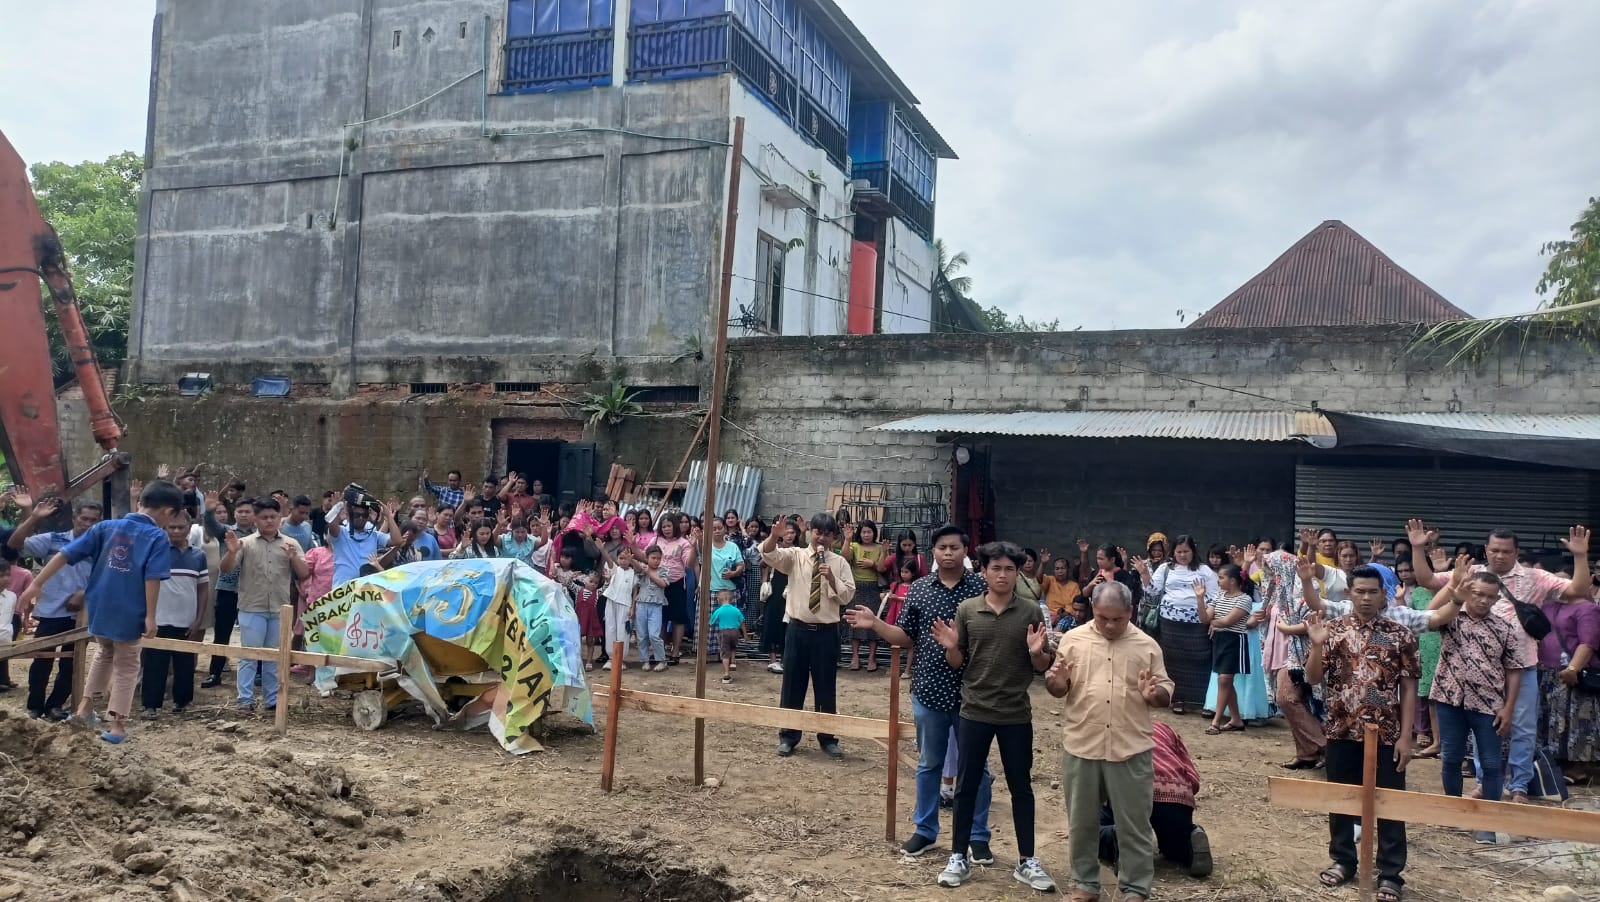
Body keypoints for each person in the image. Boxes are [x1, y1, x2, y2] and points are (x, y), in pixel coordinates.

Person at [1408, 520, 1592, 802]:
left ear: (1516, 552)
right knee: (1486, 728)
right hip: (1478, 670)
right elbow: (1428, 581)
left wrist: (1580, 556)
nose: (1500, 555)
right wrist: (1418, 549)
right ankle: (1485, 781)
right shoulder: (1471, 574)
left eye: (1506, 551)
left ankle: (1518, 785)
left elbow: (1577, 590)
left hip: (1522, 665)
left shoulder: (1535, 577)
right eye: (1495, 550)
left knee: (1522, 727)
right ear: (1486, 550)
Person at [844, 524, 996, 861]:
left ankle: (977, 835)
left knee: (976, 768)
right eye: (942, 547)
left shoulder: (982, 590)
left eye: (954, 547)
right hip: (929, 689)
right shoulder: (920, 590)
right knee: (929, 765)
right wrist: (876, 624)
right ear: (932, 553)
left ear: (965, 551)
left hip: (973, 693)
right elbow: (905, 637)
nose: (948, 553)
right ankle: (926, 830)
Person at [18, 481, 186, 743]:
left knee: (104, 652)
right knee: (128, 663)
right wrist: (151, 616)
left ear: (141, 502)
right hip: (130, 609)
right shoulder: (156, 537)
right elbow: (152, 578)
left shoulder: (105, 527)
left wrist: (37, 584)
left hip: (98, 605)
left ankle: (85, 709)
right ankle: (117, 724)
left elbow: (65, 554)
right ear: (167, 510)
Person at [932, 541, 1055, 892]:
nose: (1003, 575)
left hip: (1016, 712)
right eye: (996, 568)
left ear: (1019, 573)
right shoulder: (967, 610)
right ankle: (959, 856)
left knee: (1021, 787)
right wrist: (953, 646)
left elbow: (1042, 665)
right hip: (975, 711)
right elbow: (958, 664)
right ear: (983, 571)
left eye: (1010, 569)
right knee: (967, 786)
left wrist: (1036, 654)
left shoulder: (1031, 611)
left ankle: (1027, 860)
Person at [1048, 579, 1176, 901]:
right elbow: (1058, 687)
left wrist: (1155, 694)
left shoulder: (1147, 645)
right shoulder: (1073, 640)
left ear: (1130, 612)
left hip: (1130, 748)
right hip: (1083, 745)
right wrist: (1057, 682)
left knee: (1134, 825)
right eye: (1103, 617)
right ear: (1093, 609)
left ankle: (1134, 888)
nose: (1109, 625)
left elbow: (1165, 690)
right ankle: (1085, 885)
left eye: (1117, 619)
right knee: (1082, 823)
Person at [1305, 564, 1420, 902]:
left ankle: (1390, 872)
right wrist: (1315, 646)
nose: (1366, 597)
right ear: (1348, 593)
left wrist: (1406, 736)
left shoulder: (1401, 635)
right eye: (1360, 591)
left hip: (1385, 732)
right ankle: (1343, 860)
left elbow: (1409, 689)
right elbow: (1313, 679)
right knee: (1341, 798)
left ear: (1383, 594)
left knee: (1389, 802)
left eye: (1373, 591)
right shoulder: (1333, 630)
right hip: (1341, 728)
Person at [1430, 565, 1531, 843]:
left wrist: (1508, 708)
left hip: (1488, 705)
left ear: (1498, 599)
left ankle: (1487, 822)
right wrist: (1454, 589)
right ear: (1468, 593)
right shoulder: (1451, 619)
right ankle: (1454, 813)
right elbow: (1431, 611)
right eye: (1478, 594)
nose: (1483, 600)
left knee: (1490, 764)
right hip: (1450, 700)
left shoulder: (1505, 629)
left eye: (1490, 596)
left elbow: (1513, 669)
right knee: (1450, 758)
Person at [762, 512, 853, 759]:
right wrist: (774, 535)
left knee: (825, 685)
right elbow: (770, 555)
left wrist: (832, 578)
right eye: (817, 532)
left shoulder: (839, 563)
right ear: (810, 532)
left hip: (826, 632)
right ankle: (788, 736)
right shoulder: (797, 556)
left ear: (834, 537)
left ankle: (827, 737)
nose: (821, 537)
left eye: (827, 533)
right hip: (798, 629)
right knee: (792, 683)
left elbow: (847, 597)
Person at [8, 498, 102, 719]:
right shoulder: (53, 540)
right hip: (50, 611)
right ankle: (34, 706)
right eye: (84, 518)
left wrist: (83, 594)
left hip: (81, 615)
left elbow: (106, 578)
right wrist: (34, 517)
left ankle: (55, 706)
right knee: (42, 660)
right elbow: (15, 544)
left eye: (93, 520)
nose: (87, 524)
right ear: (74, 517)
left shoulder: (101, 548)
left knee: (72, 664)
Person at [220, 498, 309, 713]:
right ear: (255, 519)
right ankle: (245, 699)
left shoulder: (291, 544)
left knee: (274, 657)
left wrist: (293, 558)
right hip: (252, 607)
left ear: (280, 518)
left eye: (273, 517)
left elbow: (304, 573)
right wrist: (231, 552)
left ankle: (272, 700)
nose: (269, 521)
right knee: (249, 655)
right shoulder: (245, 543)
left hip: (280, 609)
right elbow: (225, 569)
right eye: (264, 517)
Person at [1096, 721, 1213, 881]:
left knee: (1095, 834)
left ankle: (1120, 836)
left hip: (1129, 792)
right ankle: (1189, 840)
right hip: (1175, 793)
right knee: (1174, 845)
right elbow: (1192, 778)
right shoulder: (1165, 728)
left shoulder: (1107, 726)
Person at [1135, 535, 1218, 715]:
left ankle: (1202, 699)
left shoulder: (1205, 571)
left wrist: (1212, 619)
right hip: (1170, 623)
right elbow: (1153, 593)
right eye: (1179, 551)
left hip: (1197, 623)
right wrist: (1144, 574)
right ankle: (1178, 698)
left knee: (1200, 659)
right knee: (1172, 660)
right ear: (1173, 552)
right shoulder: (1166, 568)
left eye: (1186, 551)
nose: (1182, 555)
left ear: (1193, 551)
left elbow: (1216, 597)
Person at [142, 509, 209, 718]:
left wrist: (198, 619)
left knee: (185, 665)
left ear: (190, 528)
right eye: (172, 527)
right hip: (159, 619)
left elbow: (203, 589)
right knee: (155, 664)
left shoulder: (198, 556)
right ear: (165, 528)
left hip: (186, 621)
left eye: (181, 527)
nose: (177, 531)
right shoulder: (156, 552)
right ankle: (151, 705)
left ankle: (183, 702)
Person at [1539, 585, 1600, 781]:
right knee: (1551, 718)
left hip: (1573, 673)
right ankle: (1556, 764)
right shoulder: (1547, 605)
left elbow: (1588, 642)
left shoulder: (1587, 608)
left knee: (1576, 719)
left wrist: (1573, 669)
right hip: (1546, 671)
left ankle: (1577, 768)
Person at [1198, 563, 1254, 735]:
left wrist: (1212, 622)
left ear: (1232, 580)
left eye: (1221, 577)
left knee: (1224, 679)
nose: (1218, 580)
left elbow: (1227, 621)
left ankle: (1216, 721)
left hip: (1234, 641)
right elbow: (1204, 617)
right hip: (1220, 640)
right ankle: (1236, 719)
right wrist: (1200, 599)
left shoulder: (1245, 599)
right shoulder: (1220, 595)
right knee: (1225, 681)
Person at [1396, 558, 1441, 756]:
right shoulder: (1417, 593)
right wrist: (1399, 600)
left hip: (1446, 647)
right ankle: (1438, 741)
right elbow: (1408, 619)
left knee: (1445, 699)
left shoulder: (1448, 589)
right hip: (1424, 647)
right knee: (1430, 697)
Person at [845, 521, 886, 672]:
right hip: (856, 587)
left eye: (869, 532)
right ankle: (855, 657)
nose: (867, 535)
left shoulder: (880, 547)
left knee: (873, 623)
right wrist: (847, 540)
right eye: (864, 532)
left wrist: (872, 564)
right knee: (854, 622)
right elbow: (844, 557)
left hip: (873, 588)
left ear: (874, 533)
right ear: (859, 533)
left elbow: (882, 568)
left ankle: (871, 658)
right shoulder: (855, 546)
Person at [328, 498, 399, 586]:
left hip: (366, 590)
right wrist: (337, 507)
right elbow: (332, 526)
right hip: (343, 591)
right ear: (349, 515)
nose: (361, 518)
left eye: (364, 515)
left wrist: (388, 516)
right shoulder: (341, 533)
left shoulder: (374, 535)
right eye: (357, 515)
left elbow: (397, 540)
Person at [655, 515, 696, 666]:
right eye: (664, 526)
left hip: (677, 584)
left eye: (669, 526)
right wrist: (633, 546)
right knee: (661, 618)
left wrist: (693, 548)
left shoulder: (684, 543)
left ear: (675, 526)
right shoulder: (656, 540)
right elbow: (645, 556)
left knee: (678, 618)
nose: (666, 529)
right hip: (658, 584)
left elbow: (689, 564)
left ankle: (675, 651)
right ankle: (661, 650)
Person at [760, 517, 796, 673]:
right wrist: (764, 583)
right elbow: (764, 563)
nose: (789, 535)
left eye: (793, 532)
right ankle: (772, 658)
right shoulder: (774, 547)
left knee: (787, 623)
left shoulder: (799, 550)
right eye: (787, 532)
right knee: (772, 620)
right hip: (776, 586)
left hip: (792, 587)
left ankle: (785, 658)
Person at [631, 546, 669, 671]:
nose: (656, 561)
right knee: (642, 635)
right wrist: (632, 560)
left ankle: (661, 660)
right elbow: (637, 568)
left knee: (654, 635)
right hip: (641, 604)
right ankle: (645, 660)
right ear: (647, 558)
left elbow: (663, 583)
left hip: (656, 606)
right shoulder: (643, 569)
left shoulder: (663, 570)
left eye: (658, 558)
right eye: (653, 558)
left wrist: (649, 573)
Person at [601, 544, 638, 670]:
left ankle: (620, 659)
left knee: (622, 631)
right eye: (621, 558)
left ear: (631, 559)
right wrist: (602, 549)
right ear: (617, 559)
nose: (623, 561)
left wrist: (633, 608)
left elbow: (635, 592)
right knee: (610, 629)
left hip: (625, 604)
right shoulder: (615, 569)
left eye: (626, 558)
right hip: (611, 602)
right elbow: (608, 560)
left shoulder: (633, 573)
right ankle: (611, 659)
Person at [710, 588, 746, 683]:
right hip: (735, 631)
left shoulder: (719, 610)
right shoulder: (736, 610)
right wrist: (745, 634)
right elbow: (742, 621)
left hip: (724, 632)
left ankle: (726, 673)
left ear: (719, 600)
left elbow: (711, 622)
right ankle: (733, 662)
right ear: (732, 599)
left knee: (725, 652)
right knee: (733, 647)